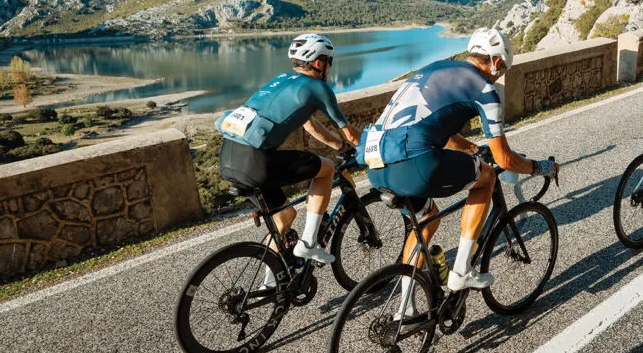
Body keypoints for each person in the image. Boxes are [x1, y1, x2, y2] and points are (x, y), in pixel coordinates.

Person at [358, 27, 557, 298]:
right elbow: (505, 159)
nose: (499, 75)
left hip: (375, 163)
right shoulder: (484, 89)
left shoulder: (434, 68)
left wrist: (474, 149)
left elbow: (441, 130)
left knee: (426, 220)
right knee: (487, 177)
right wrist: (541, 167)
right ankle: (462, 270)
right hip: (414, 163)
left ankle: (406, 309)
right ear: (496, 62)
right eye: (502, 69)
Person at [216, 33, 361, 268]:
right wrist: (369, 147)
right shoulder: (317, 87)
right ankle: (309, 243)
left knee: (284, 218)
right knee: (326, 169)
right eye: (329, 61)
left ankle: (272, 281)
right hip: (256, 161)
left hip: (229, 157)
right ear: (318, 63)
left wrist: (341, 147)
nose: (330, 67)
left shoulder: (281, 79)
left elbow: (310, 125)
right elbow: (351, 134)